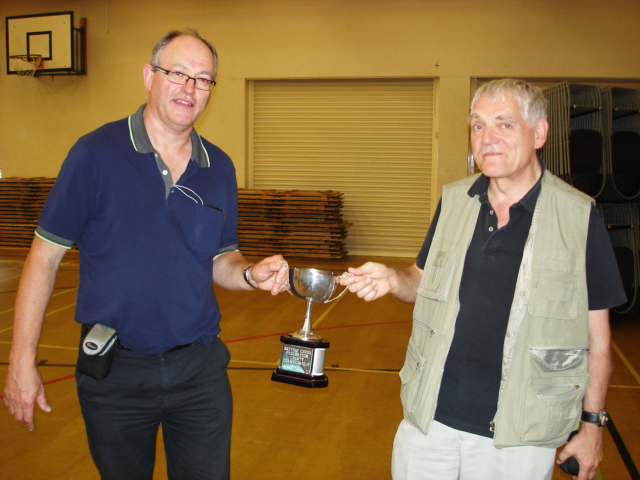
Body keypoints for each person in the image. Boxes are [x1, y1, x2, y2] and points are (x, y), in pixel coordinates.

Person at [3, 29, 288, 480]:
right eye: (178, 73)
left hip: (198, 370)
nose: (190, 87)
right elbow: (44, 258)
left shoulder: (220, 167)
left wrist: (251, 273)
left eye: (204, 79)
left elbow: (220, 259)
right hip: (115, 371)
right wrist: (21, 362)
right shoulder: (95, 154)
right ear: (149, 77)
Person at [343, 79, 626, 480]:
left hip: (518, 438)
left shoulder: (578, 217)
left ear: (539, 132)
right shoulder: (455, 200)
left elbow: (597, 339)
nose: (487, 138)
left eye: (504, 124)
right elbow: (420, 279)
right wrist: (393, 277)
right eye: (477, 126)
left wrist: (592, 425)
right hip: (430, 422)